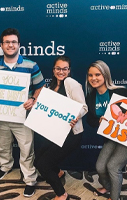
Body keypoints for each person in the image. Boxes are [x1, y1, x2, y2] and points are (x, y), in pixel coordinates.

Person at [0, 28, 45, 197]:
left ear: (19, 45)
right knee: (2, 146)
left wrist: (33, 99)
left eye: (13, 42)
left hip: (23, 116)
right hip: (0, 115)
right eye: (7, 42)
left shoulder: (31, 65)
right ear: (1, 45)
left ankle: (29, 179)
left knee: (26, 149)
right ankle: (5, 166)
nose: (10, 45)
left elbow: (40, 87)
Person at [34, 56, 88, 200]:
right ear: (53, 70)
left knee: (43, 164)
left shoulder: (70, 83)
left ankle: (61, 194)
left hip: (71, 134)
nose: (61, 71)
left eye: (65, 69)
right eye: (58, 68)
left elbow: (84, 107)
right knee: (37, 159)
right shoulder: (51, 86)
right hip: (56, 133)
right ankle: (58, 172)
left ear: (69, 70)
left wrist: (76, 116)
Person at [85, 60, 127, 200]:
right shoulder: (90, 97)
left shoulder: (121, 92)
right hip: (111, 138)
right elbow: (90, 120)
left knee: (113, 167)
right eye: (90, 75)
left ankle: (115, 197)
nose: (93, 78)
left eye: (98, 74)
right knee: (100, 167)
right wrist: (99, 121)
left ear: (105, 75)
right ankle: (108, 187)